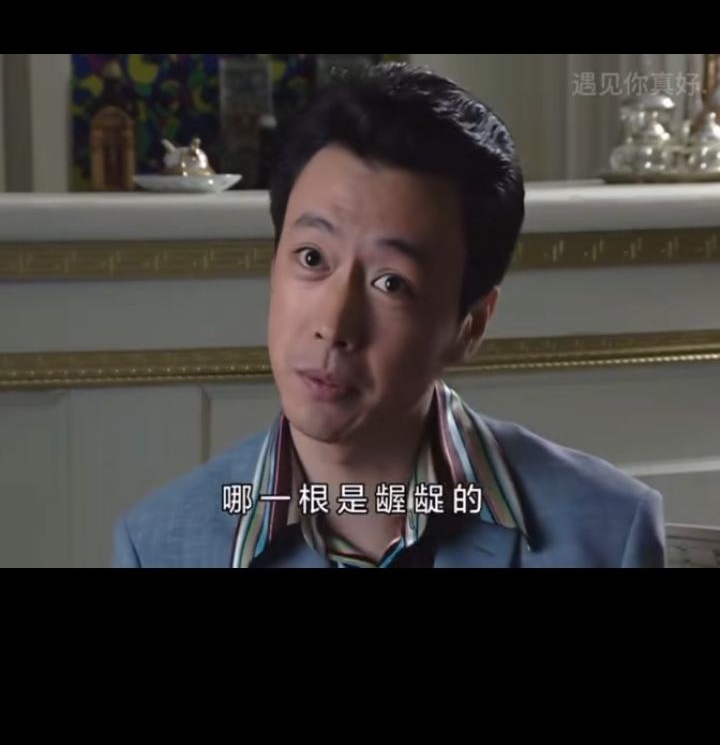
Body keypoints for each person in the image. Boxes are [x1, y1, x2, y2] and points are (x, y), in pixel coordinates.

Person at [113, 63, 665, 568]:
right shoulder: (158, 547)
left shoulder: (606, 534)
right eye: (312, 258)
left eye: (391, 283)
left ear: (470, 324)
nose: (334, 325)